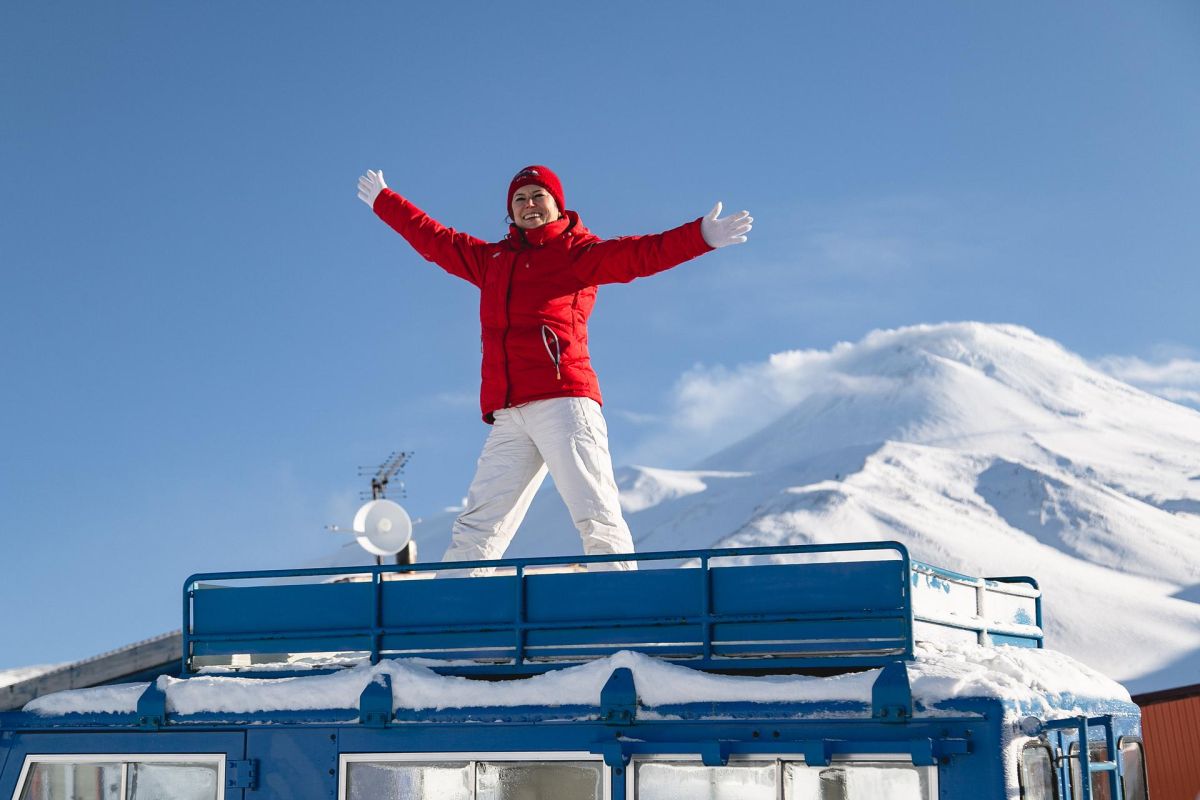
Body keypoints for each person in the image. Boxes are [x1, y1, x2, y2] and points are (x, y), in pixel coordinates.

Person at [357, 165, 751, 575]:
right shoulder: (492, 261)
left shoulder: (577, 254)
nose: (529, 205)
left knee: (595, 512)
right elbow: (436, 240)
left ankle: (624, 608)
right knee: (478, 526)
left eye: (537, 196)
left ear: (557, 203)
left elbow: (641, 254)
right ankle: (456, 612)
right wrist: (387, 202)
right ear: (510, 211)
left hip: (564, 400)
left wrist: (701, 236)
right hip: (510, 413)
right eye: (520, 199)